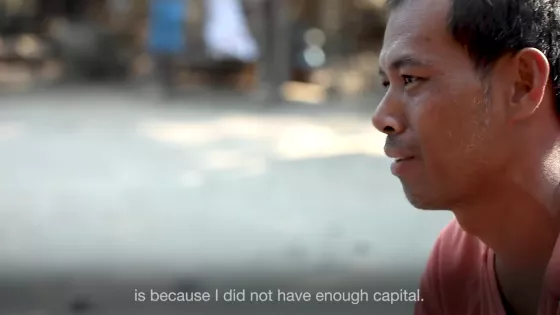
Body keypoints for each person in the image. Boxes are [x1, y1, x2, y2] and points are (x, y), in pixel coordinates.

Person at [372, 0, 560, 314]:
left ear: (521, 84)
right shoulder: (455, 262)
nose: (381, 118)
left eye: (410, 79)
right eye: (385, 84)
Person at [147, 0, 186, 99]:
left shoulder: (177, 4)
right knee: (161, 65)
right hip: (161, 38)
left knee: (171, 65)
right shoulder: (157, 4)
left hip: (171, 38)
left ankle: (170, 88)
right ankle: (164, 87)